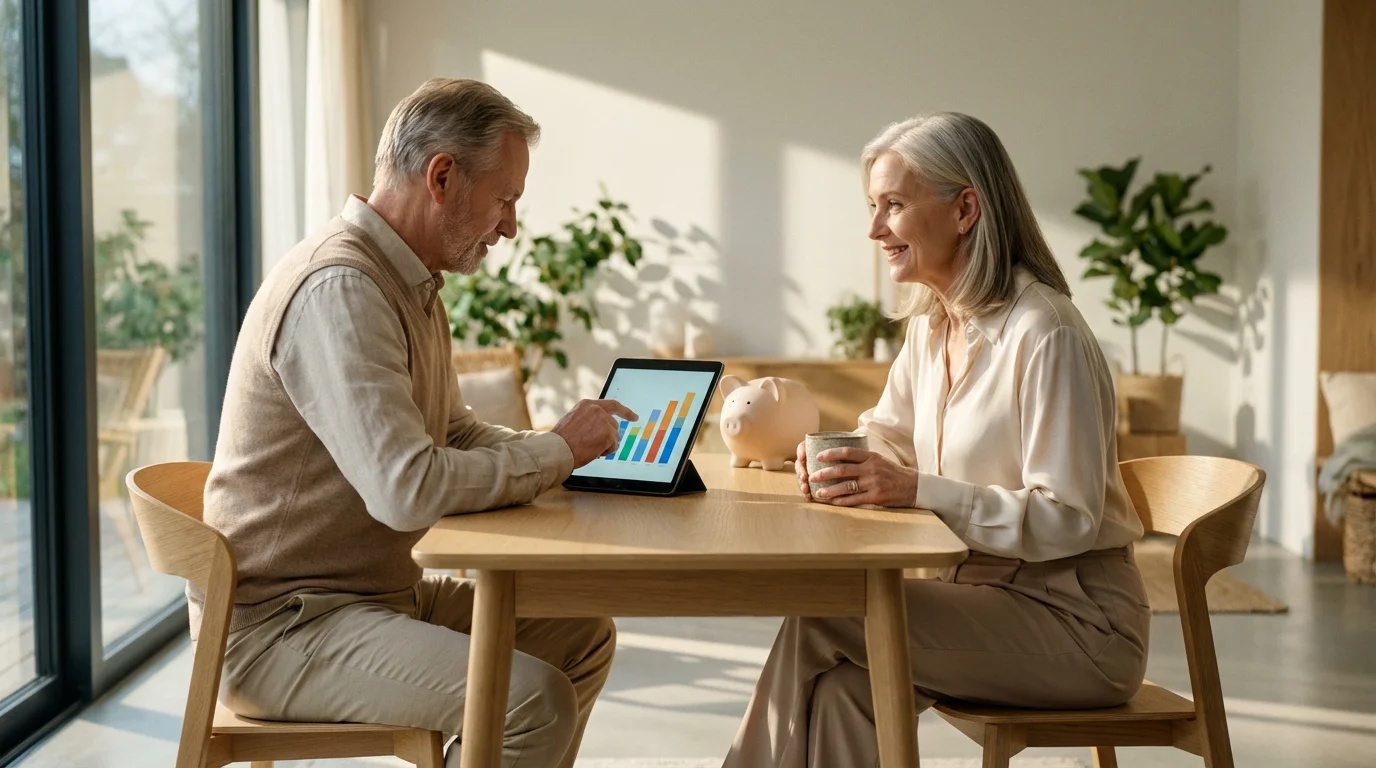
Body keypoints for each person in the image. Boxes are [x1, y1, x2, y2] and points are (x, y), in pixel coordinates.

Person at [200, 78, 636, 768]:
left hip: (369, 597)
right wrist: (552, 453)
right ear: (441, 176)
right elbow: (405, 489)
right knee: (530, 701)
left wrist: (560, 450)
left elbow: (452, 433)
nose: (511, 227)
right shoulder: (341, 290)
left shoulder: (406, 282)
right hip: (282, 629)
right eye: (506, 200)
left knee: (580, 635)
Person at [723, 112, 1150, 767]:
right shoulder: (930, 329)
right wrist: (834, 458)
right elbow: (887, 436)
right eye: (873, 206)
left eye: (893, 206)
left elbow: (1068, 519)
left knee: (824, 615)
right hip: (977, 600)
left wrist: (915, 488)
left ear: (966, 208)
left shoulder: (1046, 334)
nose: (874, 230)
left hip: (1075, 624)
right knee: (844, 689)